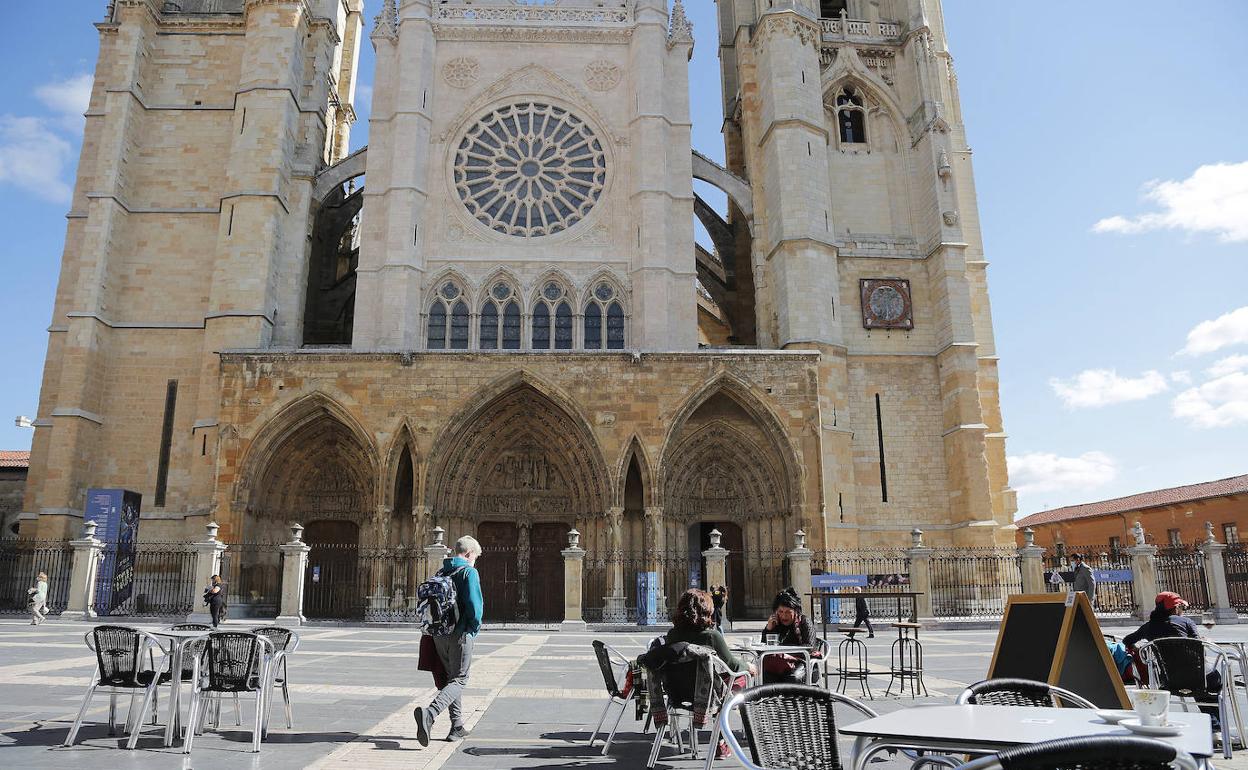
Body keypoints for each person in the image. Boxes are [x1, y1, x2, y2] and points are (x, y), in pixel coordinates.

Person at [664, 588, 755, 760]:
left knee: (722, 684)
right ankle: (721, 738)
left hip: (677, 692)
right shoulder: (711, 636)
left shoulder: (672, 635)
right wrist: (749, 666)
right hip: (707, 696)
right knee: (741, 678)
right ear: (706, 610)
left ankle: (718, 734)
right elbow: (733, 665)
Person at [414, 535, 484, 746]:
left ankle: (457, 726)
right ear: (470, 554)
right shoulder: (468, 572)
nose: (475, 560)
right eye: (476, 557)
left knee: (451, 679)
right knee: (460, 680)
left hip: (438, 634)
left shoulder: (441, 571)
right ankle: (430, 713)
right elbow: (474, 605)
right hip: (459, 633)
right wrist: (473, 629)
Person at [1123, 592, 1222, 729]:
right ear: (1175, 608)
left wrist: (1139, 648)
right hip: (1199, 677)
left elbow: (1127, 640)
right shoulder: (1186, 622)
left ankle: (1213, 724)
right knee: (1205, 682)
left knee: (1193, 679)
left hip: (1168, 681)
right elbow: (1198, 646)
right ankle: (1215, 726)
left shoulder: (1148, 626)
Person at [761, 588, 818, 684]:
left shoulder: (804, 622)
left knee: (792, 677)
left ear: (795, 611)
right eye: (780, 612)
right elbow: (764, 645)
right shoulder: (776, 623)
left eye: (788, 612)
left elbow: (809, 647)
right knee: (764, 675)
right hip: (780, 664)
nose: (784, 616)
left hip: (804, 663)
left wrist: (785, 652)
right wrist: (768, 629)